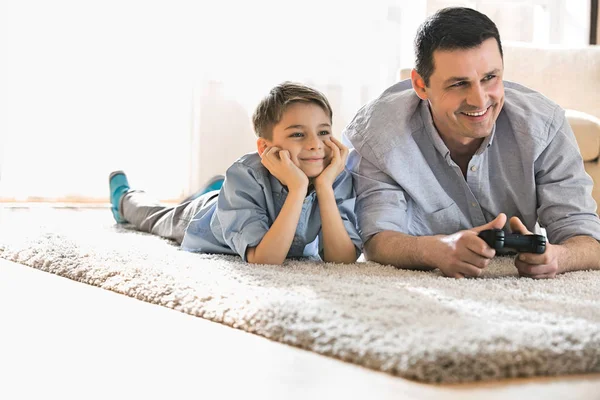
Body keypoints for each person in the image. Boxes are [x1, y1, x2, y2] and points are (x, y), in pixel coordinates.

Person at [343, 7, 600, 279]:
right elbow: (377, 240)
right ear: (420, 85)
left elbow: (588, 241)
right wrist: (436, 250)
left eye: (490, 78)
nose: (479, 101)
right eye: (458, 84)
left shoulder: (544, 125)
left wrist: (557, 257)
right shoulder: (378, 135)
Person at [109, 82, 361, 265]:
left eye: (324, 132)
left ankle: (215, 190)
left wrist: (325, 188)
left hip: (232, 199)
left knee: (223, 193)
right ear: (265, 147)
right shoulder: (245, 175)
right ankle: (125, 199)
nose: (315, 144)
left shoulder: (334, 175)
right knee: (155, 219)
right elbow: (265, 259)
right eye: (297, 134)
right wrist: (297, 189)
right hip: (204, 221)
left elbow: (341, 259)